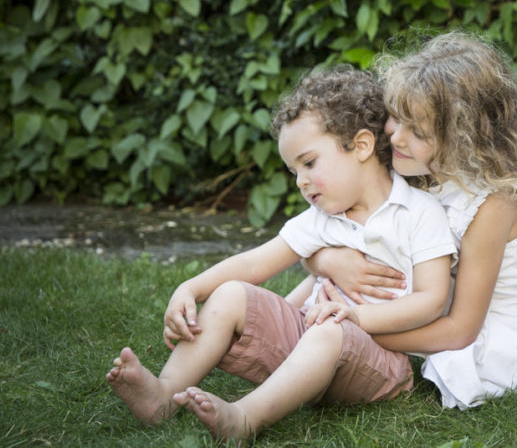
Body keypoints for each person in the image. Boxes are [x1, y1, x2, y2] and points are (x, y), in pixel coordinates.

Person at [106, 66, 455, 442]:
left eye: (309, 163)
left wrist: (358, 315)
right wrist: (192, 288)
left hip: (382, 362)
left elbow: (432, 300)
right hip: (313, 340)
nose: (301, 181)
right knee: (231, 294)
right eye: (293, 171)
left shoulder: (418, 212)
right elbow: (253, 263)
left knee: (327, 331)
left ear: (362, 146)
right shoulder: (322, 217)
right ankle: (162, 395)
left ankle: (243, 419)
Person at [303, 32, 517, 409]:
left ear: (463, 139)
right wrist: (323, 260)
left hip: (489, 339)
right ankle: (289, 325)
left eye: (417, 131)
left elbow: (462, 329)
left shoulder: (494, 204)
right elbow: (339, 231)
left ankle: (306, 335)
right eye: (395, 117)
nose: (396, 136)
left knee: (336, 330)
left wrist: (359, 328)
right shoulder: (421, 172)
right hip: (426, 312)